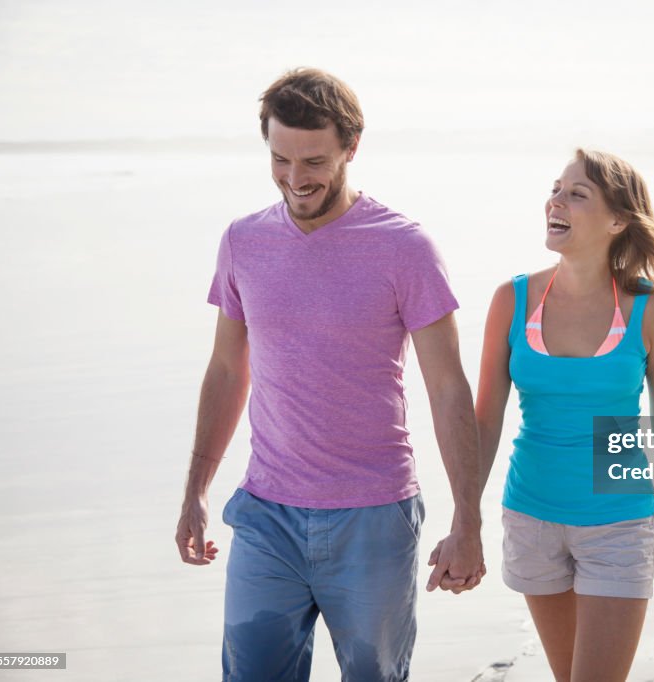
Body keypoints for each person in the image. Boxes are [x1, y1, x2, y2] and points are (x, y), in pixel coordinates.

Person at [173, 68, 484, 682]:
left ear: (352, 146)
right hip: (266, 516)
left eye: (313, 160)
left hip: (373, 516)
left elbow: (448, 389)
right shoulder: (243, 241)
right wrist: (196, 490)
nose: (295, 178)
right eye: (279, 159)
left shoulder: (405, 247)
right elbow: (228, 370)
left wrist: (467, 520)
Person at [472, 149, 654, 681]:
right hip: (530, 516)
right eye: (556, 188)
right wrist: (464, 517)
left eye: (577, 194)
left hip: (617, 523)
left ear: (618, 220)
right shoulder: (513, 299)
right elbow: (483, 423)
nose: (557, 200)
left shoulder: (649, 310)